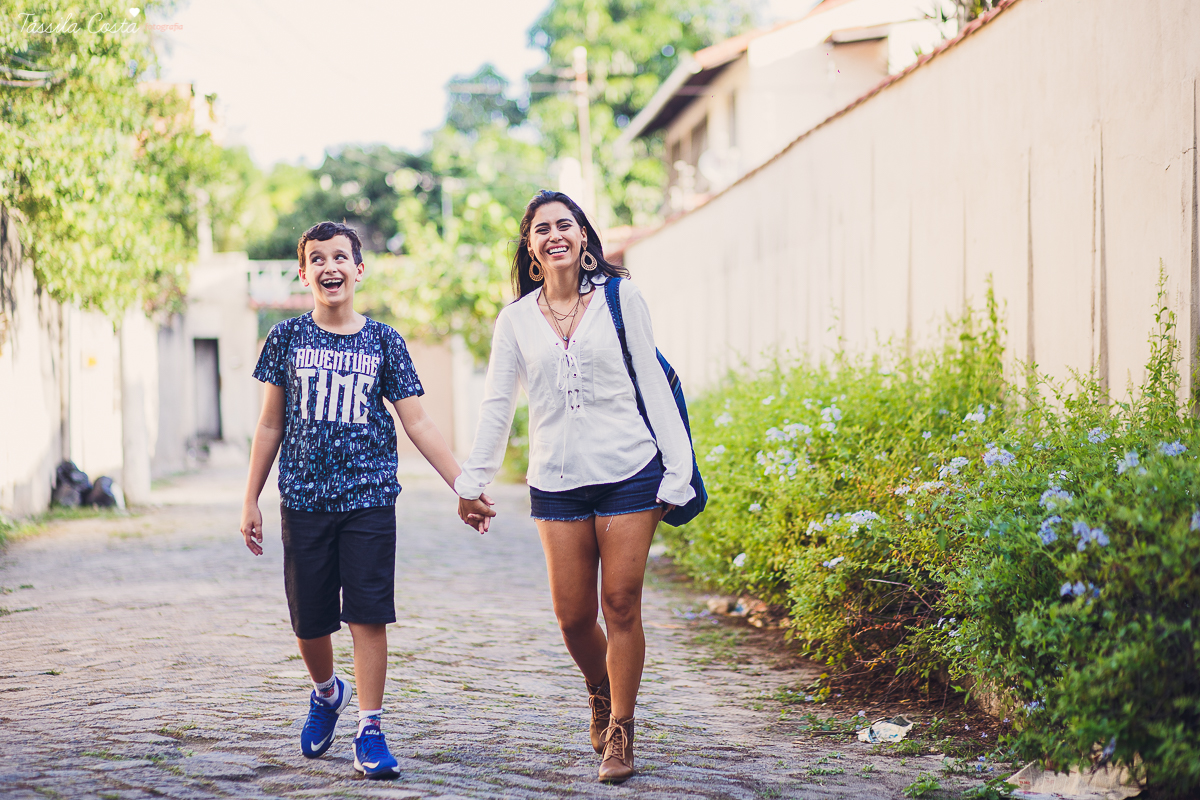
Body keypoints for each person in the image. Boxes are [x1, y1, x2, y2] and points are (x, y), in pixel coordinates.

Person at [453, 191, 694, 783]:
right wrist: (472, 480)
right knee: (572, 617)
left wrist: (679, 469)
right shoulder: (515, 319)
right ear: (530, 247)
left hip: (630, 472)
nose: (555, 234)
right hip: (556, 481)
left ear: (584, 237)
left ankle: (621, 732)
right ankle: (601, 689)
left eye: (566, 224)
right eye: (542, 229)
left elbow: (652, 381)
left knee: (621, 603)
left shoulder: (620, 297)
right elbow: (497, 405)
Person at [240, 221, 494, 779]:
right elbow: (270, 424)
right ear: (303, 273)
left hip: (370, 499)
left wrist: (465, 486)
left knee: (368, 614)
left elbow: (418, 422)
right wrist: (251, 497)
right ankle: (327, 693)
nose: (329, 267)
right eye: (317, 259)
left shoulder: (384, 341)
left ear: (359, 269)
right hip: (303, 500)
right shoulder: (285, 338)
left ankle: (370, 729)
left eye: (340, 257)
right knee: (309, 623)